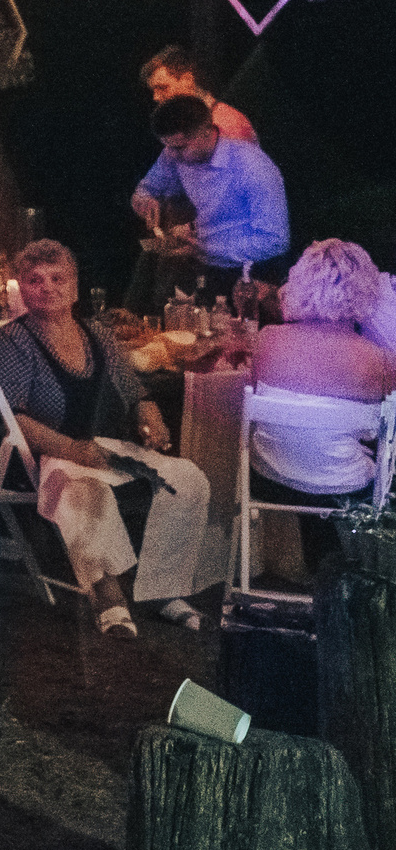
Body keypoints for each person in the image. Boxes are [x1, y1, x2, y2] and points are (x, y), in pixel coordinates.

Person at [0, 240, 217, 634]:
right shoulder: (11, 342)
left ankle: (164, 589)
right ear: (22, 289)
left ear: (75, 287)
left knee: (188, 479)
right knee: (81, 488)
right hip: (42, 454)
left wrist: (151, 416)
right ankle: (105, 592)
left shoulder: (98, 335)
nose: (47, 287)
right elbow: (12, 422)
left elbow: (135, 390)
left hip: (100, 446)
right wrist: (72, 449)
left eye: (58, 278)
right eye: (35, 280)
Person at [248, 239, 396, 570]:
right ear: (366, 291)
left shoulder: (266, 339)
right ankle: (360, 571)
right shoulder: (381, 361)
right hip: (343, 484)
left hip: (269, 474)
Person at [129, 94, 290, 303]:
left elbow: (277, 241)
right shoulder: (173, 153)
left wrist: (209, 248)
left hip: (250, 276)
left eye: (179, 147)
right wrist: (144, 200)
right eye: (167, 146)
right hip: (203, 267)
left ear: (206, 132)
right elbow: (146, 188)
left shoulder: (252, 166)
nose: (171, 155)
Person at [139, 44, 256, 142]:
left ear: (187, 80)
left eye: (162, 88)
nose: (156, 97)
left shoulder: (227, 124)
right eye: (153, 91)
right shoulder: (187, 127)